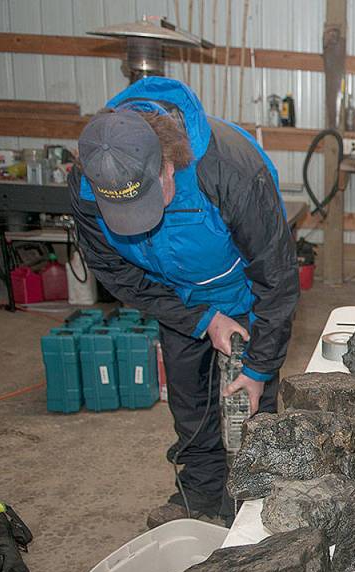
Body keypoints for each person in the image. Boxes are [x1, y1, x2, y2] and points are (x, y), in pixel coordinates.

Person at [69, 77, 299, 529]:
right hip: (176, 298)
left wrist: (257, 369)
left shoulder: (230, 168)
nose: (140, 221)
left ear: (169, 162)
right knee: (190, 405)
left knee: (251, 406)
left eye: (152, 197)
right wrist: (198, 318)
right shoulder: (89, 180)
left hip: (245, 294)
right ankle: (201, 492)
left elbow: (277, 278)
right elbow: (116, 272)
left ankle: (255, 502)